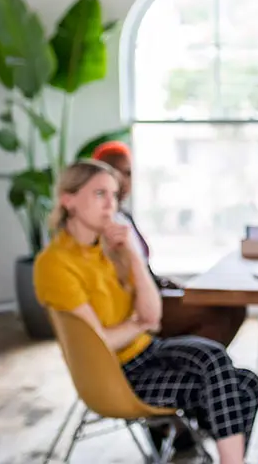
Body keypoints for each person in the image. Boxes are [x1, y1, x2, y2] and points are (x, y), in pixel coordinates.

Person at [34, 160, 258, 464]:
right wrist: (140, 323)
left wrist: (131, 255)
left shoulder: (109, 249)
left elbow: (152, 317)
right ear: (68, 200)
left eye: (113, 195)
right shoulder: (56, 263)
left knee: (244, 380)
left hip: (148, 352)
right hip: (115, 375)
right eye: (99, 193)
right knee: (226, 376)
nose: (110, 204)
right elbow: (100, 343)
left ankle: (209, 453)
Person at [91, 141, 246, 347]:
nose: (122, 181)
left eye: (128, 173)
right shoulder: (99, 222)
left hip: (153, 289)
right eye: (114, 173)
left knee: (234, 308)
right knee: (222, 311)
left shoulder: (124, 216)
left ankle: (198, 366)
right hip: (136, 303)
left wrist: (164, 282)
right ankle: (192, 366)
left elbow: (142, 264)